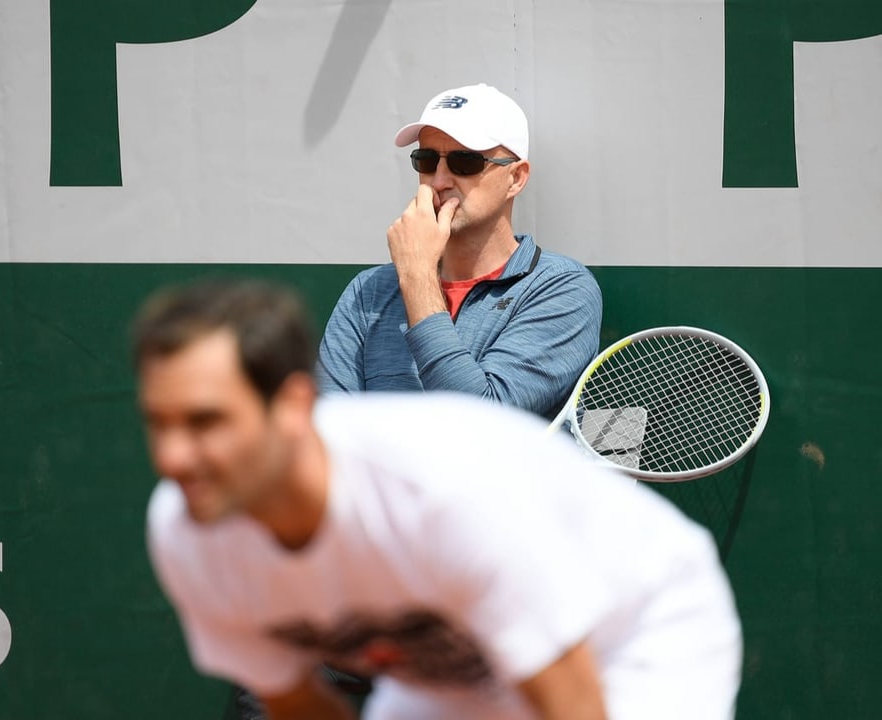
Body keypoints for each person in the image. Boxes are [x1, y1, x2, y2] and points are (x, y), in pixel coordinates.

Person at [134, 278, 742, 720]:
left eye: (207, 423)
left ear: (292, 407)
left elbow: (572, 706)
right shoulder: (186, 531)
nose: (173, 458)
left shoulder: (440, 495)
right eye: (158, 424)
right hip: (451, 663)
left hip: (630, 634)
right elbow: (295, 704)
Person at [316, 83, 602, 420]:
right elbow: (329, 431)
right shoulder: (368, 292)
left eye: (464, 162)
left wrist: (417, 276)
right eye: (426, 160)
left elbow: (480, 420)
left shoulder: (561, 289)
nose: (438, 181)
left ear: (516, 178)